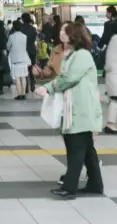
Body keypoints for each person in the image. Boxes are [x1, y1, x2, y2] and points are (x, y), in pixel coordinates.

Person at [35, 22, 103, 199]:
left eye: (66, 31)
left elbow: (69, 78)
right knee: (87, 149)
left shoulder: (82, 55)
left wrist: (48, 88)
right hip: (76, 107)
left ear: (75, 35)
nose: (62, 33)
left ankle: (69, 187)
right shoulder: (73, 55)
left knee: (76, 148)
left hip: (80, 108)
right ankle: (95, 184)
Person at [7, 20, 31, 100]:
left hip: (15, 59)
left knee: (17, 77)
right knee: (23, 77)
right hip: (24, 58)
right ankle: (24, 94)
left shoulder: (11, 36)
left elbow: (8, 46)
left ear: (14, 27)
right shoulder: (25, 36)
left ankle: (19, 94)